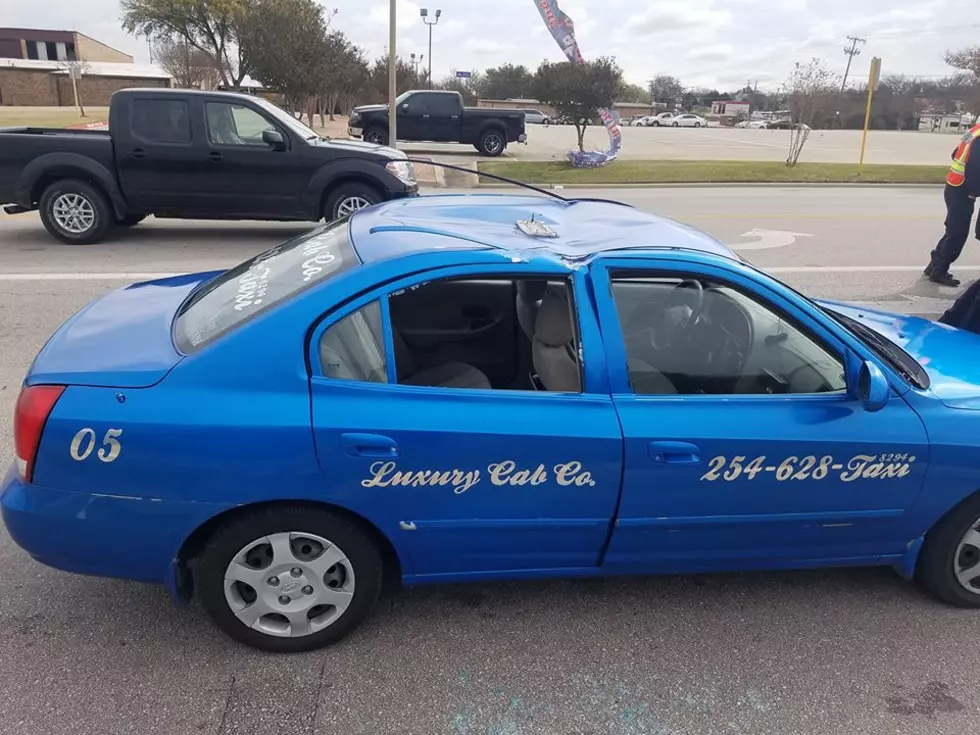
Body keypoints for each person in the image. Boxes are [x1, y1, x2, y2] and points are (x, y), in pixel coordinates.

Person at [924, 122, 980, 287]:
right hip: (963, 189)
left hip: (954, 184)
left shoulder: (976, 129)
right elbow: (974, 167)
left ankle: (934, 265)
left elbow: (955, 153)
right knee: (958, 234)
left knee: (953, 230)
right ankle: (939, 272)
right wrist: (974, 190)